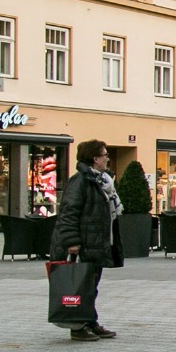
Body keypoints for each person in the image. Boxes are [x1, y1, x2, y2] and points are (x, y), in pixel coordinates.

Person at [50, 139, 123, 341]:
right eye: (105, 154)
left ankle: (90, 321)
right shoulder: (81, 181)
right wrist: (72, 242)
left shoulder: (101, 181)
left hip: (96, 242)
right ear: (95, 158)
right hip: (82, 244)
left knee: (91, 286)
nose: (107, 158)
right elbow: (68, 213)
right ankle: (77, 325)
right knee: (80, 286)